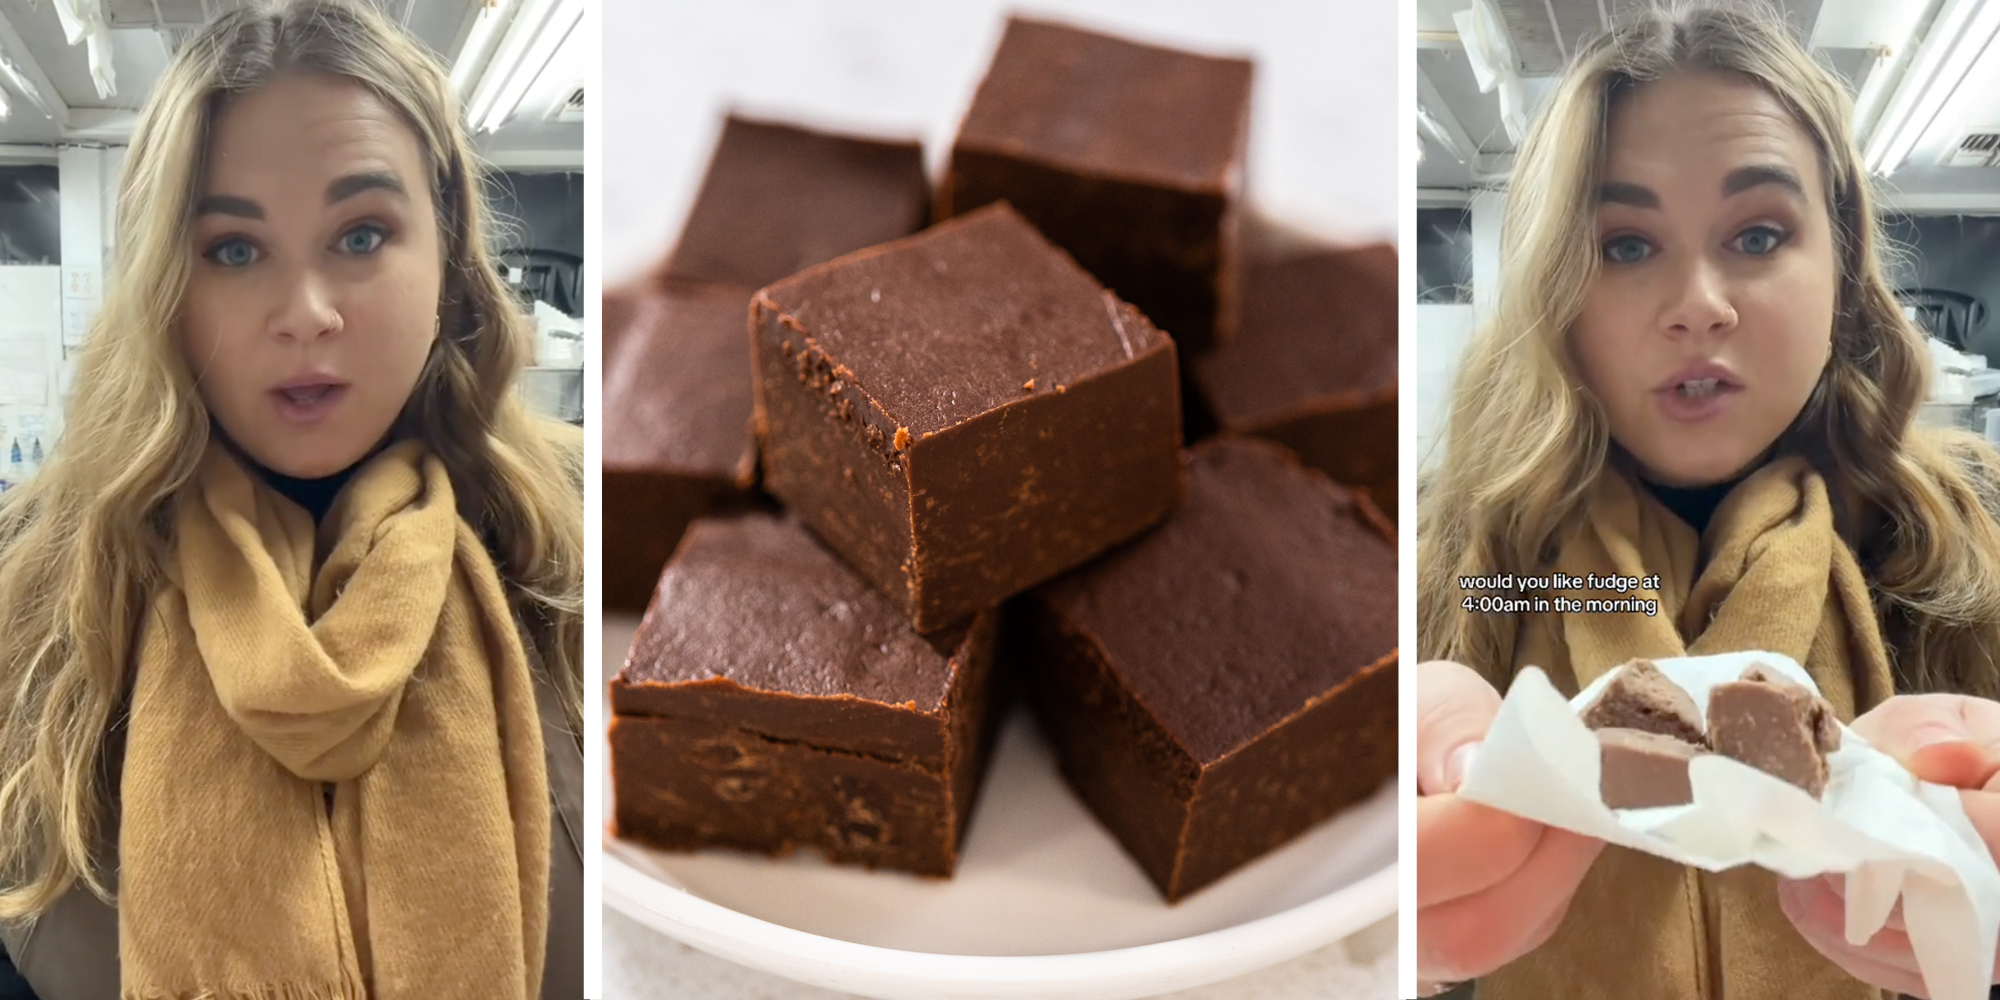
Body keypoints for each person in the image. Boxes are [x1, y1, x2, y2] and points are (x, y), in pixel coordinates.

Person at [0, 2, 583, 998]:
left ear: (447, 255)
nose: (306, 314)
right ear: (164, 282)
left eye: (361, 234)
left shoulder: (576, 544)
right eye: (233, 249)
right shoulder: (32, 596)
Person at [1416, 4, 2000, 998]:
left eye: (1758, 234)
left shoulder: (1975, 542)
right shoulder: (1434, 563)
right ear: (1555, 287)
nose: (1697, 303)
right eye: (1624, 246)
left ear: (1842, 269)